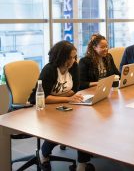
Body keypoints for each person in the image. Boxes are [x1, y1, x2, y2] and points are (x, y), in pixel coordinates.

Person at [29, 41, 95, 171]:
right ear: (61, 57)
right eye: (70, 57)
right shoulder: (49, 70)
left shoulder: (74, 67)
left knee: (85, 125)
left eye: (74, 57)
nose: (73, 60)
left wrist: (63, 98)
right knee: (61, 128)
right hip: (43, 108)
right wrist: (66, 98)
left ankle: (82, 164)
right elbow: (41, 97)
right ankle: (43, 154)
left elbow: (74, 89)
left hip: (63, 104)